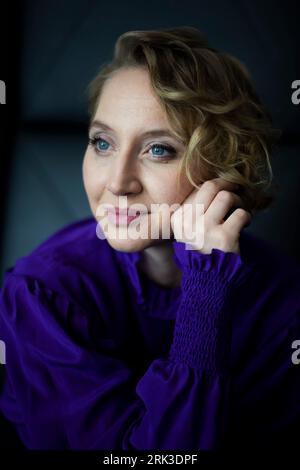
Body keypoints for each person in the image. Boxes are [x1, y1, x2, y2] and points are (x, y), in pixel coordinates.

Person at [0, 26, 299, 450]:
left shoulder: (283, 300)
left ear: (225, 167)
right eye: (102, 143)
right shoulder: (40, 294)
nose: (118, 183)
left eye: (158, 149)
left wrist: (207, 285)